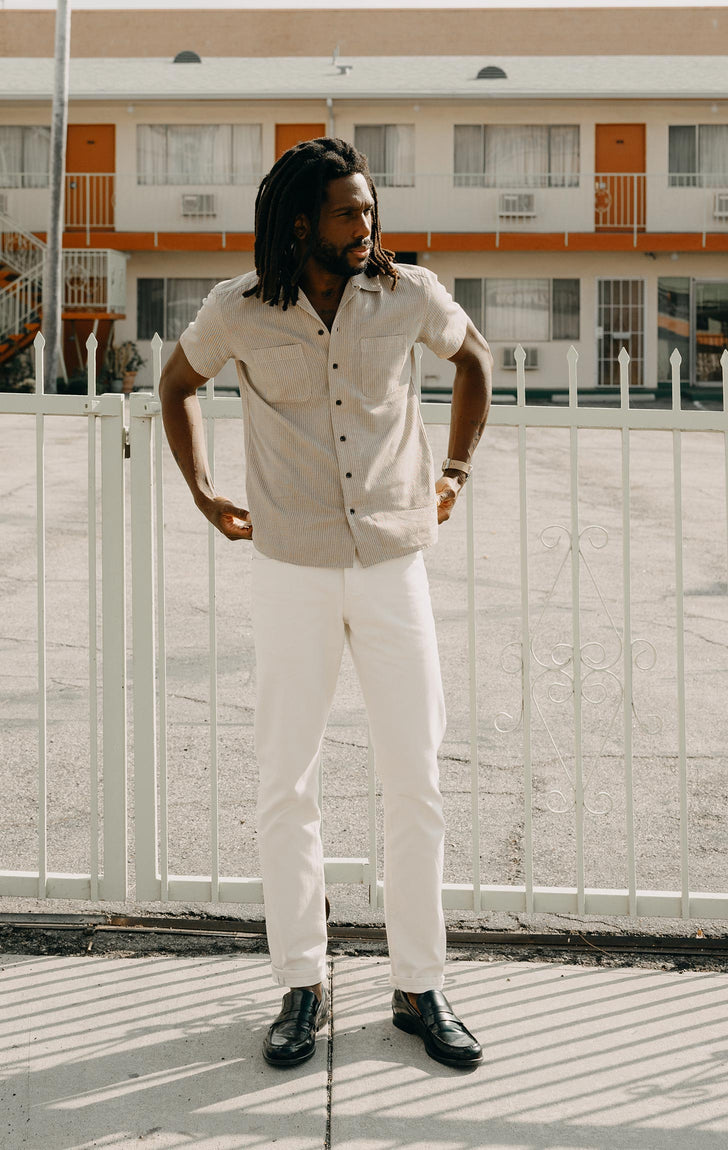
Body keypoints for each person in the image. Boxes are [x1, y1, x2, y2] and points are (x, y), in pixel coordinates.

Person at [159, 137, 493, 1070]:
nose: (367, 226)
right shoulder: (238, 310)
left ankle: (420, 986)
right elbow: (177, 383)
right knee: (285, 782)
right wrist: (201, 485)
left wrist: (455, 473)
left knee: (414, 777)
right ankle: (301, 983)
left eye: (370, 209)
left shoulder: (411, 295)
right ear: (301, 222)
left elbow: (476, 362)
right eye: (349, 212)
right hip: (291, 566)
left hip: (394, 563)